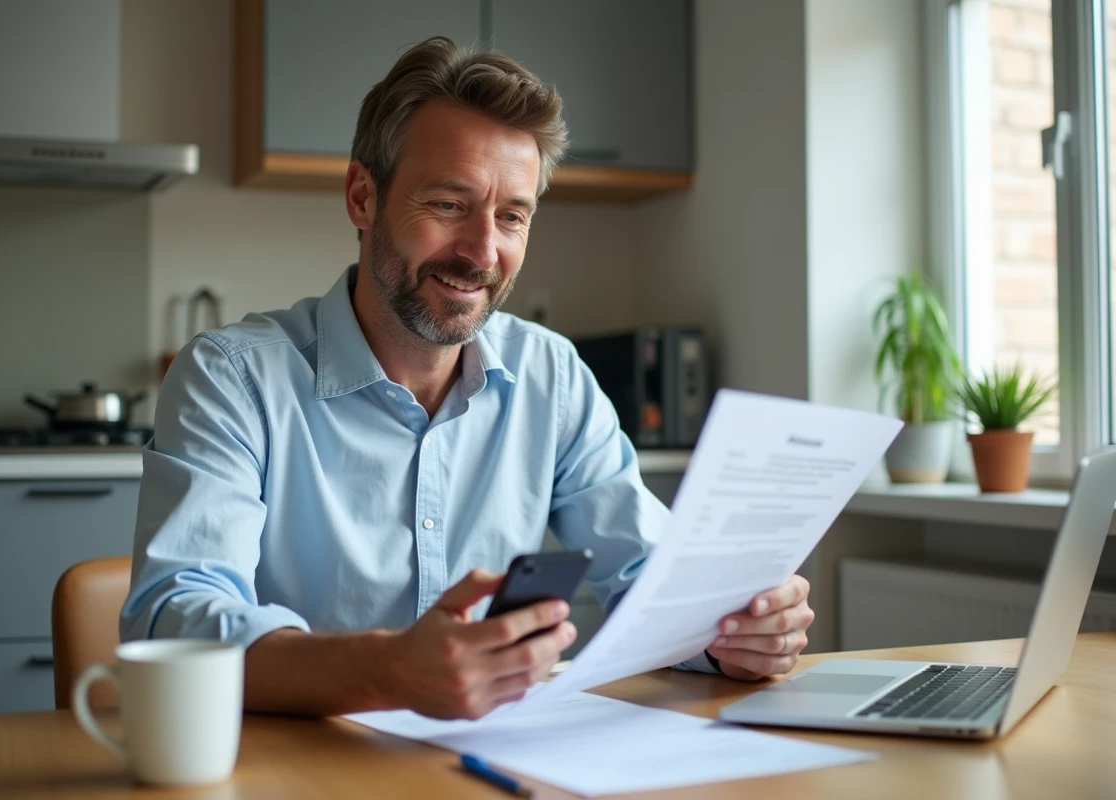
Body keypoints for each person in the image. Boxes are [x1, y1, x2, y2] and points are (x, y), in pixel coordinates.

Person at [120, 36, 814, 720]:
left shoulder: (553, 377)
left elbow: (651, 583)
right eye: (449, 205)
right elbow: (174, 618)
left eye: (511, 216)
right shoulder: (232, 378)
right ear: (363, 197)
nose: (483, 252)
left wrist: (734, 634)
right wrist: (386, 670)